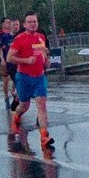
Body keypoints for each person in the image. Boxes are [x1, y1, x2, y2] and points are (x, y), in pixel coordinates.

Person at [6, 11, 54, 154]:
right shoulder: (19, 39)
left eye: (35, 21)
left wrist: (47, 61)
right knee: (24, 106)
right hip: (24, 77)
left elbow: (43, 52)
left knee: (42, 106)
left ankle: (44, 136)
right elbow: (10, 58)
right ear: (25, 24)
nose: (33, 24)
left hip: (39, 77)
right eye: (30, 22)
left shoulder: (41, 37)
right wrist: (26, 61)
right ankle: (16, 116)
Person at [0, 15, 19, 110]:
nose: (8, 24)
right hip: (4, 59)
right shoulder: (0, 34)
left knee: (16, 76)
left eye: (10, 22)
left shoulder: (13, 34)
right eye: (7, 22)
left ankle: (14, 91)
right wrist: (2, 58)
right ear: (3, 24)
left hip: (14, 59)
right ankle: (6, 97)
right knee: (6, 79)